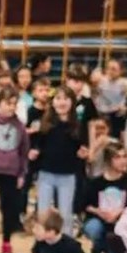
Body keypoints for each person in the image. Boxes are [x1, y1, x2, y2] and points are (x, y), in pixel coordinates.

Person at [29, 86, 87, 235]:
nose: (62, 103)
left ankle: (65, 246)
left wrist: (83, 153)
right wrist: (34, 153)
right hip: (46, 174)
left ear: (72, 102)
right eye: (58, 99)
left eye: (66, 99)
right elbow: (38, 146)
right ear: (53, 102)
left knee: (65, 215)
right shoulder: (46, 124)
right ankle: (41, 245)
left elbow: (82, 148)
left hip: (67, 175)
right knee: (43, 213)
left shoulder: (78, 126)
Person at [0, 88, 31, 253]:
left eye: (14, 104)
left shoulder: (20, 127)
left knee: (8, 209)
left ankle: (6, 241)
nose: (11, 107)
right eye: (7, 103)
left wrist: (22, 174)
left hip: (11, 172)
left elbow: (24, 152)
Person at [81, 142, 127, 253]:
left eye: (124, 157)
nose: (123, 161)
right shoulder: (95, 182)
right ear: (108, 160)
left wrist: (120, 212)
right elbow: (84, 204)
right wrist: (99, 212)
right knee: (94, 228)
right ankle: (98, 247)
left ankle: (111, 249)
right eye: (118, 157)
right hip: (99, 221)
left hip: (120, 226)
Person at [91, 59, 127, 138]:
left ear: (121, 71)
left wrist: (126, 107)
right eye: (108, 68)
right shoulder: (100, 80)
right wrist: (93, 83)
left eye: (113, 69)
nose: (110, 71)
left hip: (116, 117)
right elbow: (92, 93)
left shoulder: (124, 83)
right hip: (100, 115)